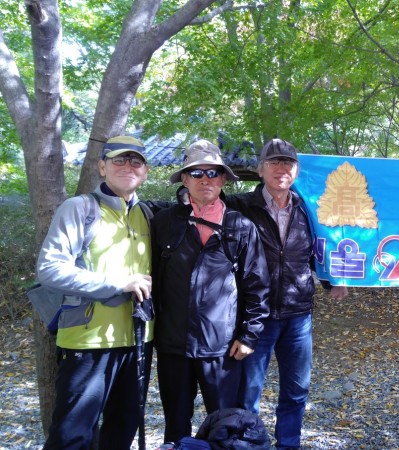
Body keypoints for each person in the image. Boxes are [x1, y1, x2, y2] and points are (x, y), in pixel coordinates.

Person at [225, 138, 348, 450]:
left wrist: (333, 279)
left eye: (288, 162)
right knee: (248, 394)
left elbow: (320, 247)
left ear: (297, 170)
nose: (281, 168)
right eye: (274, 162)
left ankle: (288, 445)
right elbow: (203, 199)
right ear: (260, 169)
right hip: (255, 318)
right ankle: (249, 445)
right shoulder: (240, 206)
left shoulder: (310, 209)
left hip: (298, 317)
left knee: (296, 391)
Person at [37, 136, 155, 449]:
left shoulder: (146, 214)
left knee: (122, 430)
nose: (128, 166)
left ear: (145, 172)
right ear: (102, 166)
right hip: (88, 341)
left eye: (136, 161)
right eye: (119, 160)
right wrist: (117, 283)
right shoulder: (80, 208)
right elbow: (50, 269)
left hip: (138, 340)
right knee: (72, 435)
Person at [150, 139, 270, 443]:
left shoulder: (240, 226)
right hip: (173, 344)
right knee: (175, 423)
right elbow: (151, 277)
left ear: (224, 179)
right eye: (197, 173)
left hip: (222, 347)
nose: (205, 179)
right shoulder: (164, 222)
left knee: (227, 425)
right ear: (184, 179)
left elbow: (257, 285)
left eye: (213, 173)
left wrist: (249, 336)